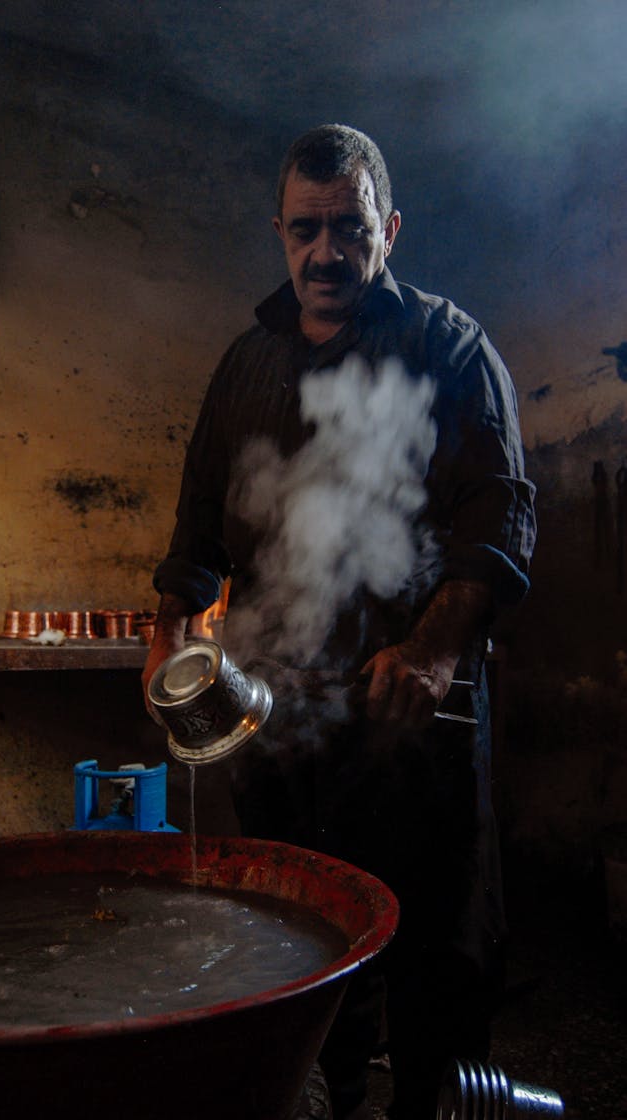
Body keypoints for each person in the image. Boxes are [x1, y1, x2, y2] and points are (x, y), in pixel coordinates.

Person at [142, 124, 536, 1120]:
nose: (328, 253)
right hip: (280, 723)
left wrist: (435, 650)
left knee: (437, 961)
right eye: (307, 230)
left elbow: (500, 514)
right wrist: (174, 622)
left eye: (350, 229)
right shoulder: (246, 363)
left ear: (388, 230)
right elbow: (199, 523)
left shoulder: (450, 346)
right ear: (280, 231)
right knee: (298, 949)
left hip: (416, 725)